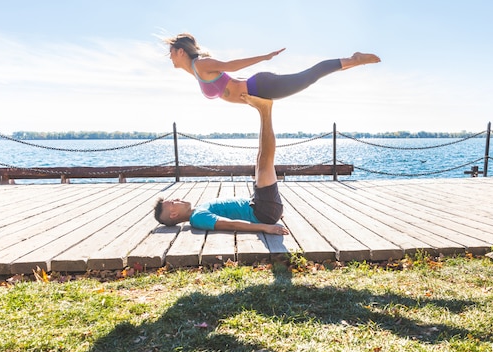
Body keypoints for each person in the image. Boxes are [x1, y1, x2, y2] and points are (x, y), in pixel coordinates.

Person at [154, 94, 289, 235]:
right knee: (264, 161)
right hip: (263, 212)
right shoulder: (197, 217)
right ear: (174, 214)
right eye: (173, 202)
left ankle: (263, 109)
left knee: (260, 160)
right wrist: (265, 227)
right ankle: (265, 109)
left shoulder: (198, 210)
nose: (177, 199)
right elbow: (229, 225)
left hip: (262, 207)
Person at [166, 33, 381, 104]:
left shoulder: (201, 65)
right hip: (257, 89)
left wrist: (264, 57)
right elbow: (229, 79)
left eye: (172, 51)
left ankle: (354, 59)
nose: (170, 57)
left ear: (181, 51)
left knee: (309, 77)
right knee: (309, 78)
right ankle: (354, 62)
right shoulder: (195, 71)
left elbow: (230, 65)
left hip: (260, 86)